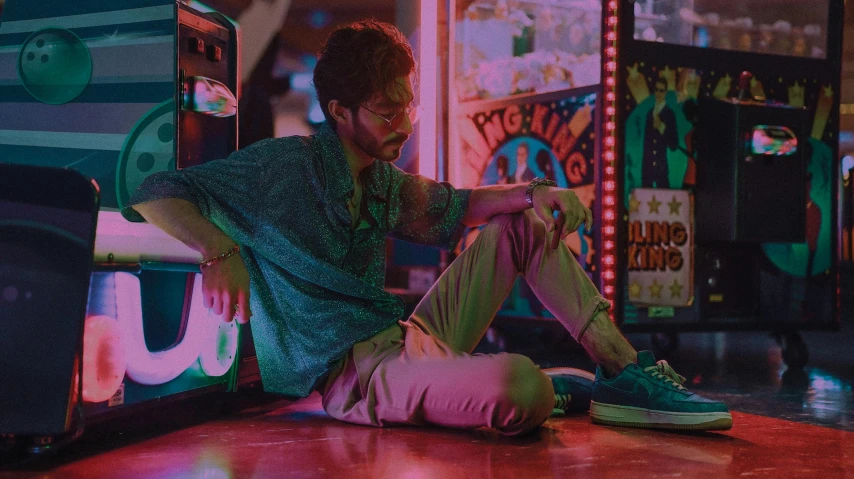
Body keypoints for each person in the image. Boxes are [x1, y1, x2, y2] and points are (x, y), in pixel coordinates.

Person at [123, 20, 731, 435]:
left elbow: (462, 205)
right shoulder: (284, 169)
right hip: (358, 377)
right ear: (339, 112)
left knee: (520, 225)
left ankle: (624, 373)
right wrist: (218, 250)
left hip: (408, 336)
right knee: (522, 387)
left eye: (408, 105)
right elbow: (154, 189)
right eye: (389, 112)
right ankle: (543, 388)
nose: (405, 123)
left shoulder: (383, 180)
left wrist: (539, 191)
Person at [642, 78, 678, 188]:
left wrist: (662, 128)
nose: (658, 93)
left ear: (666, 92)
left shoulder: (669, 114)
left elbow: (674, 145)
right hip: (647, 170)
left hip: (661, 169)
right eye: (656, 90)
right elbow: (646, 144)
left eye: (661, 90)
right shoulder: (649, 114)